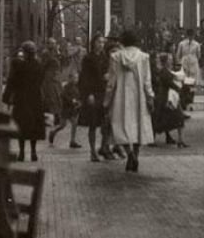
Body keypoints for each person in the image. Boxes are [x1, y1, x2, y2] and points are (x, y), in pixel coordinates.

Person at [104, 29, 155, 172]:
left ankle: (129, 153)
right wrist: (150, 97)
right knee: (138, 127)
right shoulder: (144, 57)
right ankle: (136, 156)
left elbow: (111, 82)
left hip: (121, 97)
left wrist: (107, 100)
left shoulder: (115, 57)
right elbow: (147, 81)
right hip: (139, 97)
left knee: (121, 126)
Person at [2, 40, 45, 162]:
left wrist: (7, 97)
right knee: (34, 127)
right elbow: (41, 81)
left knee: (22, 126)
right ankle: (33, 152)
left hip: (22, 99)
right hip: (35, 99)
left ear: (25, 52)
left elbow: (12, 81)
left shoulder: (19, 66)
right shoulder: (38, 66)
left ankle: (21, 153)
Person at [79, 32, 112, 162]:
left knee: (106, 122)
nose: (101, 45)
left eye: (103, 42)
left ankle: (104, 146)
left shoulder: (105, 57)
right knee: (93, 123)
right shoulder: (88, 58)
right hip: (93, 92)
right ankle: (92, 151)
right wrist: (88, 94)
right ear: (93, 43)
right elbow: (85, 77)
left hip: (104, 92)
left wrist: (108, 76)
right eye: (99, 42)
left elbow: (109, 71)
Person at [152, 53, 188, 147]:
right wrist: (178, 88)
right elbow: (169, 82)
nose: (171, 60)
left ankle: (176, 139)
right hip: (166, 99)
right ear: (165, 61)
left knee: (162, 119)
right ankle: (180, 140)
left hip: (167, 98)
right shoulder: (164, 71)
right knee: (178, 118)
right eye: (169, 59)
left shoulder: (166, 70)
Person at [48, 72, 81, 149]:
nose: (76, 79)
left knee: (74, 123)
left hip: (72, 109)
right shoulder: (66, 87)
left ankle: (72, 141)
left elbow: (77, 96)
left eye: (77, 78)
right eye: (74, 78)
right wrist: (72, 101)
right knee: (62, 125)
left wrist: (78, 102)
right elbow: (63, 95)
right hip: (66, 109)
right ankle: (53, 132)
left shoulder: (76, 87)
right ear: (70, 78)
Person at [43, 38, 64, 145]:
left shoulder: (56, 53)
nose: (53, 45)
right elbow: (44, 66)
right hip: (49, 78)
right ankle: (51, 119)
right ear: (48, 44)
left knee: (58, 96)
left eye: (54, 43)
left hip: (56, 78)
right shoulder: (46, 54)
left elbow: (61, 63)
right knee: (51, 98)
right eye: (51, 43)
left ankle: (57, 117)